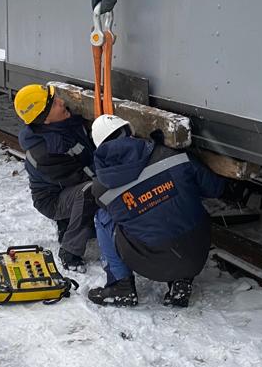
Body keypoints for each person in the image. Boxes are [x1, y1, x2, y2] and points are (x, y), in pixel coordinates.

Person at [87, 114, 226, 307]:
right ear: (130, 132)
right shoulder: (172, 155)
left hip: (149, 263)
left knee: (103, 217)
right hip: (195, 255)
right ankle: (182, 281)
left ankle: (122, 286)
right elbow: (215, 189)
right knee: (182, 204)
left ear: (99, 148)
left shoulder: (101, 187)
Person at [13, 84, 96, 271]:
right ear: (45, 120)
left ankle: (68, 224)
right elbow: (84, 176)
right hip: (52, 201)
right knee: (91, 191)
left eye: (56, 97)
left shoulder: (61, 123)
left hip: (63, 188)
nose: (61, 101)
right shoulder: (48, 151)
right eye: (54, 104)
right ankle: (70, 250)